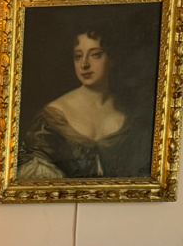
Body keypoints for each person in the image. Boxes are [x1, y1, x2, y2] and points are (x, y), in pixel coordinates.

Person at [16, 26, 153, 181]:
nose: (84, 64)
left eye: (95, 55)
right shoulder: (51, 116)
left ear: (112, 58)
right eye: (78, 56)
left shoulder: (132, 115)